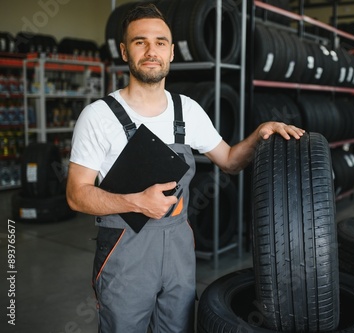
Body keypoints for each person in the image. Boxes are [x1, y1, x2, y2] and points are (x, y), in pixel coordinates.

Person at [66, 3, 304, 333]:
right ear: (124, 50)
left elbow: (231, 162)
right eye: (140, 42)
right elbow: (77, 195)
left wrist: (259, 134)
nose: (152, 51)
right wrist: (136, 202)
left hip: (179, 252)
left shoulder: (187, 111)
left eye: (160, 42)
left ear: (172, 52)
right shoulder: (99, 116)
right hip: (125, 255)